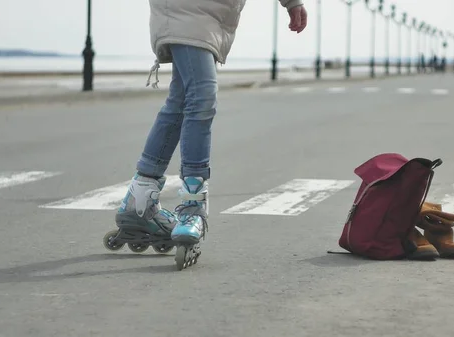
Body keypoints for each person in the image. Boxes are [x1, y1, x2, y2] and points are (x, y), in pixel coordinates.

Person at [114, 1, 308, 254]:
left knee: (182, 100)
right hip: (192, 10)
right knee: (202, 98)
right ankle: (192, 204)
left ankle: (139, 199)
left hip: (206, 13)